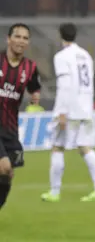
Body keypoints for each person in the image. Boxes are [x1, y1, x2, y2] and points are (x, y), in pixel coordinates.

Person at [41, 23, 95, 202]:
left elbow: (65, 84)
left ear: (60, 35)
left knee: (57, 147)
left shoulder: (62, 56)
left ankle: (54, 192)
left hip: (69, 108)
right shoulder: (85, 55)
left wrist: (62, 111)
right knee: (85, 147)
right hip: (85, 107)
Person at [0, 23, 41, 210]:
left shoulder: (30, 68)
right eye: (17, 37)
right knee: (4, 166)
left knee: (7, 175)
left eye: (25, 38)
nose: (21, 41)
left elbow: (34, 87)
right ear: (8, 39)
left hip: (10, 128)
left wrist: (35, 97)